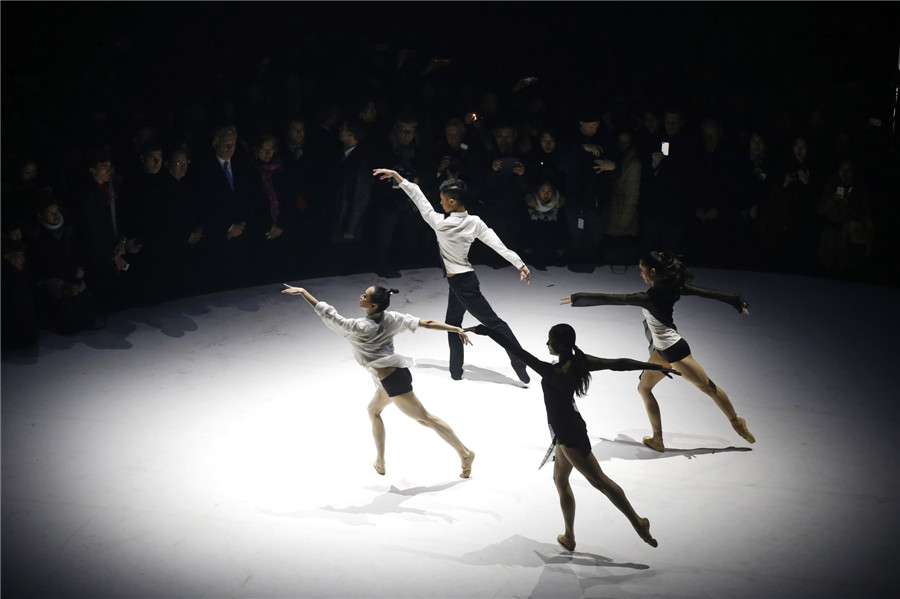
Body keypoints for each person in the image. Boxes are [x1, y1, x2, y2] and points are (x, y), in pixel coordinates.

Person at [465, 322, 667, 550]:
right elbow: (618, 364)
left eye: (549, 340)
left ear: (559, 345)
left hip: (570, 436)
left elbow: (515, 349)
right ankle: (569, 536)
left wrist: (486, 330)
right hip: (565, 431)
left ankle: (639, 523)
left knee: (600, 481)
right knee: (560, 481)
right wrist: (654, 367)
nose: (546, 344)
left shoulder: (552, 371)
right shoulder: (580, 361)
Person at [562, 251, 756, 452]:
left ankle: (737, 424)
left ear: (653, 272)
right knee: (644, 388)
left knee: (709, 388)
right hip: (661, 352)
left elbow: (613, 298)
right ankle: (657, 440)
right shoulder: (673, 288)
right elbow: (707, 292)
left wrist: (579, 297)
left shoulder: (648, 298)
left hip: (675, 352)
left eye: (642, 270)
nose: (641, 274)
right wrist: (735, 299)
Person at [281, 283, 475, 478]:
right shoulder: (393, 318)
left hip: (393, 381)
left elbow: (328, 313)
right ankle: (380, 462)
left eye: (364, 295)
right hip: (389, 379)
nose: (361, 296)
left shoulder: (356, 328)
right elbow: (427, 323)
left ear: (373, 305)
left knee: (425, 418)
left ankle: (465, 453)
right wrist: (454, 328)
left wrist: (304, 292)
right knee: (374, 410)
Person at [372, 168, 532, 384]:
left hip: (462, 283)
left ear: (453, 201)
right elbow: (498, 244)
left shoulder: (441, 224)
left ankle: (519, 362)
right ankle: (455, 370)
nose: (440, 203)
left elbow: (419, 199)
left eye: (443, 200)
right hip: (461, 281)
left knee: (495, 324)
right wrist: (519, 264)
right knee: (453, 322)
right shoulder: (475, 221)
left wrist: (399, 178)